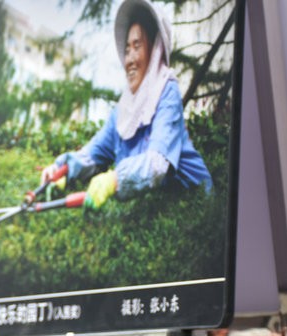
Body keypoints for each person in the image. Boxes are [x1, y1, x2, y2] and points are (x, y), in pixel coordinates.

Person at [42, 0, 212, 211]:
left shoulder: (168, 91)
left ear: (154, 50)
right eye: (127, 49)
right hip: (158, 209)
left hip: (193, 204)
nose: (129, 60)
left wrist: (114, 179)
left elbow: (157, 164)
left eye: (137, 47)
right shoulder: (124, 109)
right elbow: (94, 153)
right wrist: (63, 170)